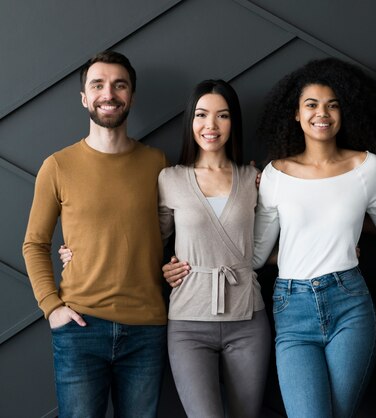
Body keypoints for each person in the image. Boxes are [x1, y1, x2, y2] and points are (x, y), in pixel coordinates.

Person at [22, 51, 167, 417]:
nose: (109, 93)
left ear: (131, 96)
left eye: (120, 85)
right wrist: (51, 307)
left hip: (146, 328)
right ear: (85, 98)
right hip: (79, 328)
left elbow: (182, 228)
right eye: (98, 84)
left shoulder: (158, 163)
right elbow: (35, 244)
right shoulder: (57, 166)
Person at [251, 57, 376, 418]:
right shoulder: (276, 174)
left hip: (350, 304)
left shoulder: (366, 167)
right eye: (311, 104)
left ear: (344, 112)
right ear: (296, 114)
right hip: (291, 307)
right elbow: (255, 255)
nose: (322, 113)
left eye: (332, 104)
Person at [158, 79, 270, 417]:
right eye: (202, 114)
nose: (211, 125)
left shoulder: (254, 179)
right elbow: (150, 243)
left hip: (248, 319)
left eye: (222, 116)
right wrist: (162, 267)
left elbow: (266, 243)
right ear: (190, 121)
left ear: (233, 122)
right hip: (188, 322)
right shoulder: (170, 178)